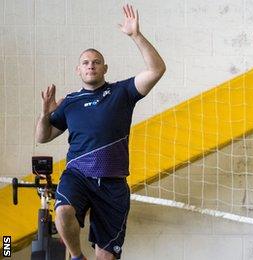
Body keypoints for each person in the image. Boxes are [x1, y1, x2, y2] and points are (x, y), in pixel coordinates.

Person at [35, 4, 166, 260]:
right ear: (78, 70)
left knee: (105, 258)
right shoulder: (70, 102)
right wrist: (44, 114)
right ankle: (76, 257)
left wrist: (135, 35)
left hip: (113, 183)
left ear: (105, 68)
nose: (91, 66)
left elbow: (157, 70)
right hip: (78, 175)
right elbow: (42, 137)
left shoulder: (122, 92)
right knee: (62, 212)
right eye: (85, 63)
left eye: (96, 62)